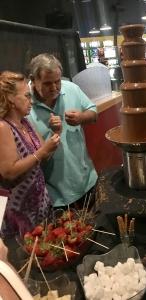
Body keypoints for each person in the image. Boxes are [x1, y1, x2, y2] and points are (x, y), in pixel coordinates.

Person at [28, 53, 98, 208]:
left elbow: (94, 114)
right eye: (47, 83)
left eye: (57, 81)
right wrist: (54, 134)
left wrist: (81, 117)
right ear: (33, 80)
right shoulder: (23, 104)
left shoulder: (71, 88)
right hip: (55, 195)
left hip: (87, 180)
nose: (54, 88)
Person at [0, 71, 60, 237]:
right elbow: (8, 171)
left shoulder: (25, 122)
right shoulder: (3, 127)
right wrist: (42, 152)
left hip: (39, 203)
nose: (31, 101)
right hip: (19, 210)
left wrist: (56, 133)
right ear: (11, 98)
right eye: (26, 96)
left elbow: (45, 153)